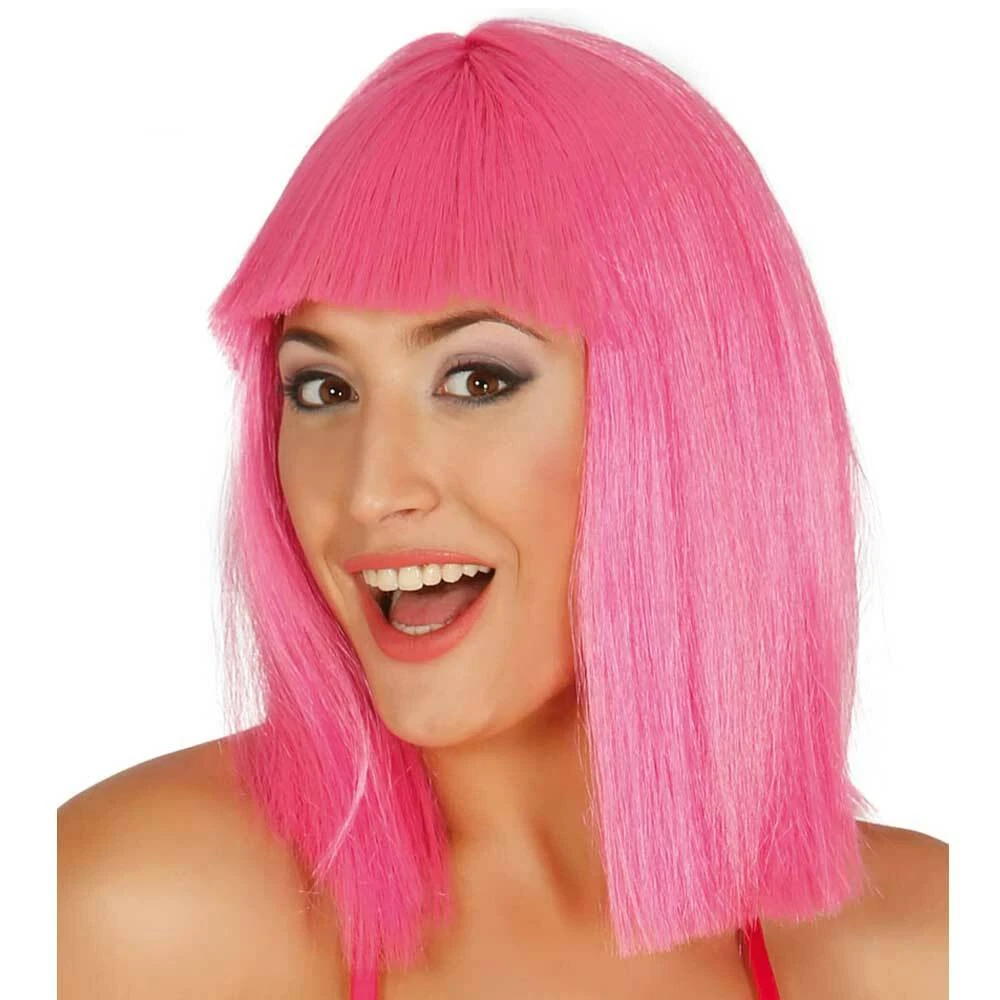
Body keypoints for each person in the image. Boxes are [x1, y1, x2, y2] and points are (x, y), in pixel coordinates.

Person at [57, 17, 948, 999]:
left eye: (477, 379)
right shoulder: (131, 915)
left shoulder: (928, 950)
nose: (370, 489)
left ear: (690, 414)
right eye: (323, 388)